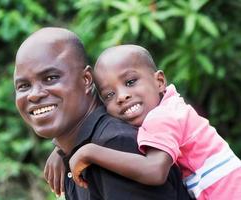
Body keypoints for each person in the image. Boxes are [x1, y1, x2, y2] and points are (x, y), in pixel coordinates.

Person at [14, 27, 191, 200]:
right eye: (23, 86)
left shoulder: (112, 146)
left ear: (86, 80)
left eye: (51, 78)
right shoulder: (75, 149)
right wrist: (61, 151)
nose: (34, 94)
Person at [69, 44, 241, 199]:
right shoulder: (171, 106)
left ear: (159, 82)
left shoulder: (162, 117)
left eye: (130, 82)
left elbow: (155, 171)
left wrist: (89, 152)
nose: (122, 96)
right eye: (109, 95)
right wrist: (64, 150)